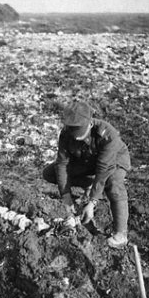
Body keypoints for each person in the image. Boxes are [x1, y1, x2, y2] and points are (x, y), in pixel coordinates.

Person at [42, 101, 131, 248]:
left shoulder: (107, 134)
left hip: (113, 162)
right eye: (72, 129)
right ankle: (89, 184)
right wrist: (66, 196)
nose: (75, 135)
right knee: (50, 174)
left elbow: (103, 169)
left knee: (114, 184)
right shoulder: (67, 134)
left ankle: (121, 234)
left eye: (78, 130)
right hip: (86, 160)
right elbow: (62, 164)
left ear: (89, 124)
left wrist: (92, 202)